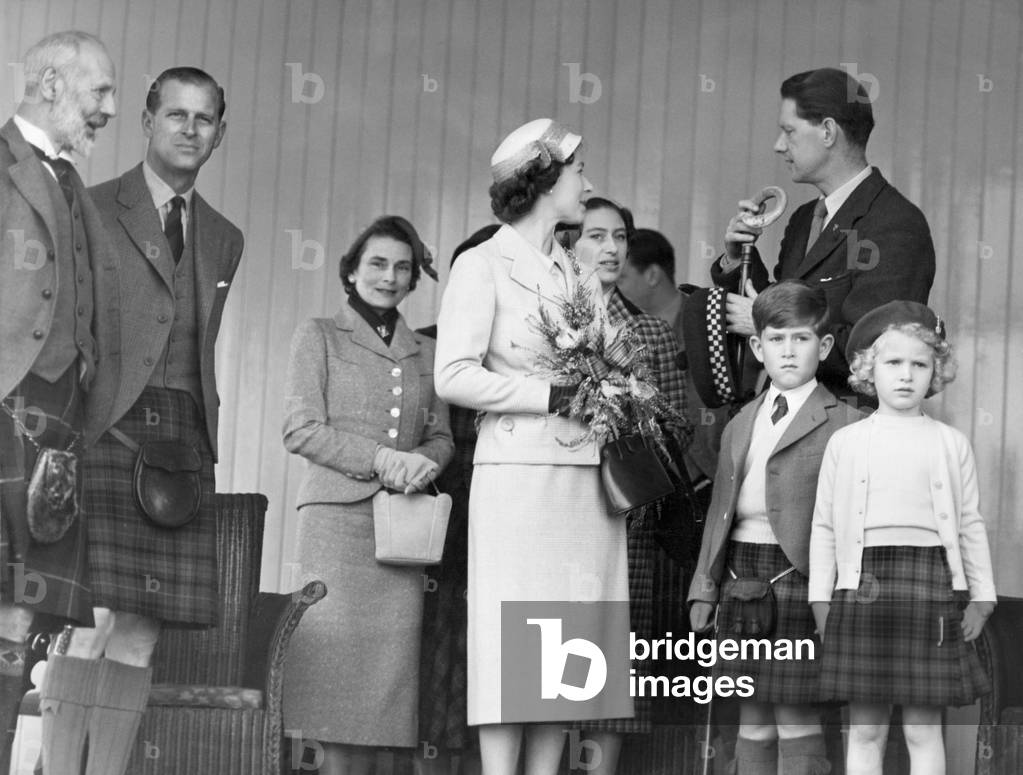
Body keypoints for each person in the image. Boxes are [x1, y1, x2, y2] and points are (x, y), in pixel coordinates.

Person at [38, 66, 243, 775]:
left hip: (181, 443)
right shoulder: (88, 205)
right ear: (148, 120)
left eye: (205, 118)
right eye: (176, 114)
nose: (190, 129)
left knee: (142, 634)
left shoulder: (224, 237)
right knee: (86, 624)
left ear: (220, 133)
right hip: (104, 431)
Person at [435, 118, 633, 775]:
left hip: (584, 485)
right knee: (512, 639)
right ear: (544, 181)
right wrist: (545, 396)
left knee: (569, 644)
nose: (589, 184)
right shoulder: (480, 263)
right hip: (518, 482)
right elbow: (453, 375)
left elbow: (608, 360)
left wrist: (612, 393)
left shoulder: (576, 274)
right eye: (578, 172)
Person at [282, 215, 453, 775]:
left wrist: (422, 465)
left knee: (383, 689)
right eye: (377, 264)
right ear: (351, 271)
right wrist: (380, 460)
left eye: (402, 267)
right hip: (334, 527)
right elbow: (300, 429)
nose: (390, 276)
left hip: (399, 534)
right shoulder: (318, 335)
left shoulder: (428, 352)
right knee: (328, 679)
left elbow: (442, 436)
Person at [809, 301, 996, 775]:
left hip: (929, 585)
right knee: (867, 730)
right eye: (893, 363)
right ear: (869, 370)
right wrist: (820, 599)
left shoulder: (950, 443)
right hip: (863, 585)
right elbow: (826, 526)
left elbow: (970, 523)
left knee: (921, 729)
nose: (906, 375)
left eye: (920, 364)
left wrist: (982, 597)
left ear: (936, 371)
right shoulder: (845, 443)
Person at [0, 29, 118, 770]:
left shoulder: (76, 184)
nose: (110, 108)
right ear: (49, 85)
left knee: (23, 615)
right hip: (4, 407)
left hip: (61, 423)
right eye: (99, 91)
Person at [688, 281, 862, 775]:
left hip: (801, 581)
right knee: (753, 716)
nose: (788, 351)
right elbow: (721, 509)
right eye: (777, 339)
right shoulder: (741, 420)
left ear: (824, 347)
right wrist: (705, 586)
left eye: (801, 339)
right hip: (740, 579)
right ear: (757, 347)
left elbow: (851, 527)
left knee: (795, 715)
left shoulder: (845, 423)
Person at [713, 67, 935, 402]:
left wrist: (766, 326)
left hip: (846, 432)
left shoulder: (896, 224)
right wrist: (737, 257)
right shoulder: (805, 219)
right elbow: (781, 303)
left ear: (828, 131)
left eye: (789, 131)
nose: (778, 145)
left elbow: (871, 353)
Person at [571, 198, 691, 774]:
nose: (612, 248)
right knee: (548, 650)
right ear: (569, 243)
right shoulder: (538, 323)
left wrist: (628, 413)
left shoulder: (650, 333)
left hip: (628, 521)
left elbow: (678, 430)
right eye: (596, 235)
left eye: (620, 236)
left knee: (615, 665)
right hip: (555, 514)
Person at [416, 224, 498, 775]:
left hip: (504, 524)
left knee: (489, 658)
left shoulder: (527, 356)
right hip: (434, 523)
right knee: (428, 655)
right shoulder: (424, 345)